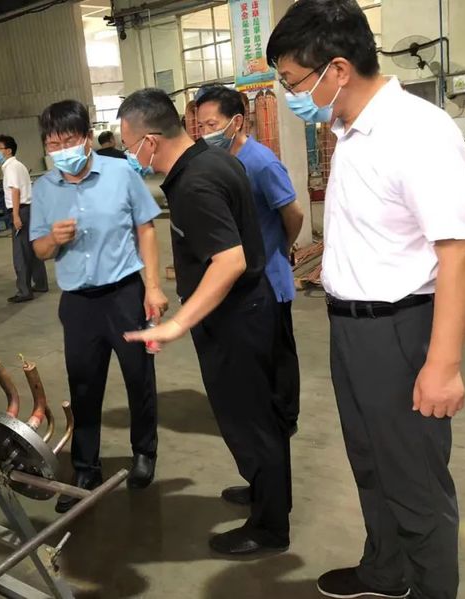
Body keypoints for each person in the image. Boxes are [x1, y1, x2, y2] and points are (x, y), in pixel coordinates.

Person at [266, 1, 465, 597]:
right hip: (353, 328)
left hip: (400, 332)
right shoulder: (349, 130)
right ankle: (386, 570)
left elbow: (458, 255)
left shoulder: (417, 132)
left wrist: (442, 365)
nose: (291, 95)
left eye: (293, 82)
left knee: (415, 481)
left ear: (337, 69)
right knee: (370, 461)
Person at [119, 88, 291, 556]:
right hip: (249, 308)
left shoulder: (195, 183)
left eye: (129, 145)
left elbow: (229, 261)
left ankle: (270, 527)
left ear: (150, 141)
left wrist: (178, 324)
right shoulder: (214, 161)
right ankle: (265, 493)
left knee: (249, 421)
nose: (130, 155)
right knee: (258, 416)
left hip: (234, 316)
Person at [30, 100, 168, 513]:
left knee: (138, 377)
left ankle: (144, 453)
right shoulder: (44, 189)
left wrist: (152, 287)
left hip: (124, 294)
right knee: (83, 385)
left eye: (69, 140)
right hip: (78, 303)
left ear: (87, 138)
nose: (62, 150)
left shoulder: (121, 173)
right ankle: (85, 466)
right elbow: (38, 249)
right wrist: (53, 239)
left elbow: (146, 230)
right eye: (53, 144)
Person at [195, 85, 304, 505]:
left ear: (236, 122)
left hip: (269, 284)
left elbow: (292, 213)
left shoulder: (260, 162)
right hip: (242, 285)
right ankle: (263, 479)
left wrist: (280, 248)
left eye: (211, 124)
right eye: (199, 125)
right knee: (251, 392)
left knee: (272, 387)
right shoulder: (219, 161)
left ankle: (274, 483)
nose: (204, 132)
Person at [0, 134, 48, 303]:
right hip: (28, 209)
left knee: (20, 253)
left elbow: (15, 191)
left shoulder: (11, 167)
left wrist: (16, 215)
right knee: (32, 248)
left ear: (8, 150)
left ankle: (24, 291)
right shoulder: (18, 165)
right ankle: (40, 283)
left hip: (20, 211)